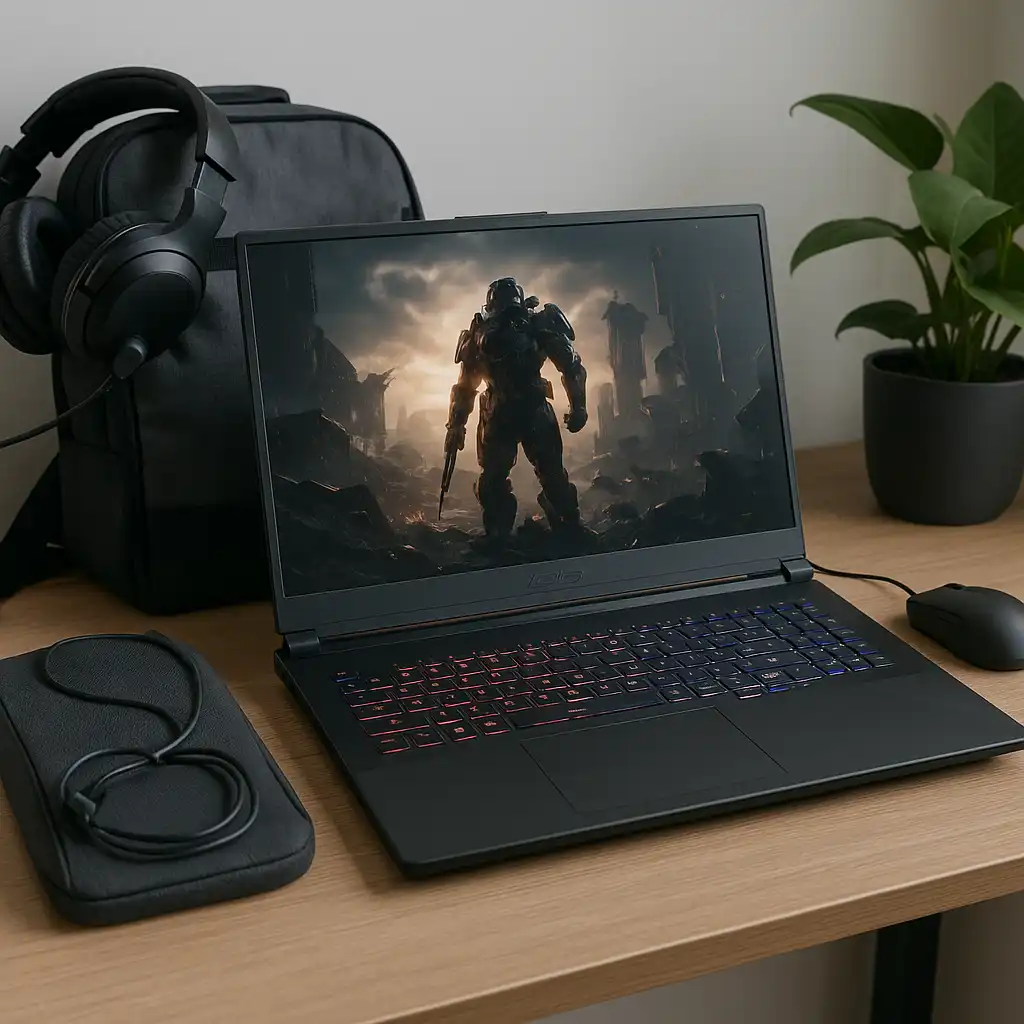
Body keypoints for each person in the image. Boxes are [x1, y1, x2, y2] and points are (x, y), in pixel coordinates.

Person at [443, 277, 588, 538]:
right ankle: (498, 534)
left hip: (533, 408)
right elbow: (465, 385)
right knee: (493, 480)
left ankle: (567, 524)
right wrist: (456, 425)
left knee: (553, 476)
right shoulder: (479, 333)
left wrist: (579, 407)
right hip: (499, 412)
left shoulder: (537, 323)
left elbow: (571, 365)